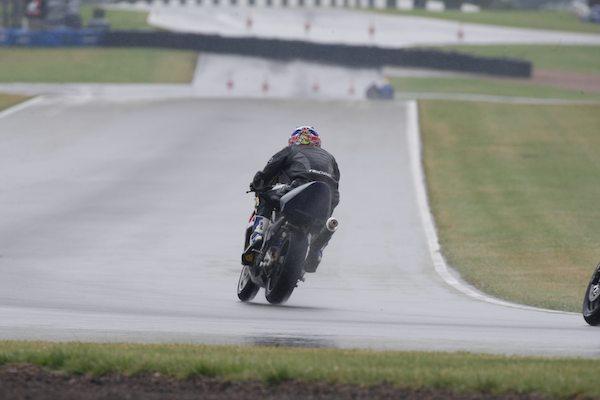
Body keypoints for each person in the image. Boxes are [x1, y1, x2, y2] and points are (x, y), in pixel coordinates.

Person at [246, 126, 340, 271]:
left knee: (265, 197)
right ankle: (317, 250)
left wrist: (258, 184)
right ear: (317, 143)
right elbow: (336, 182)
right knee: (326, 223)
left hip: (300, 186)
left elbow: (269, 169)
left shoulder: (290, 150)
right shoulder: (330, 157)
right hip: (327, 194)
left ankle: (258, 234)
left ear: (293, 141)